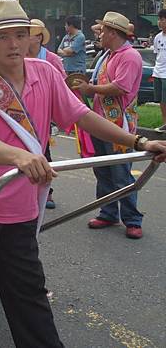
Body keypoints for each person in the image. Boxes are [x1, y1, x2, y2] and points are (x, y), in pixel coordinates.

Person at [0, 1, 166, 347]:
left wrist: (137, 140)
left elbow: (81, 115)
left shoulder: (45, 74)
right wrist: (20, 156)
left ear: (31, 39)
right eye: (2, 38)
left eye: (19, 35)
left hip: (20, 204)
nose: (12, 44)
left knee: (28, 291)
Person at [72, 12, 145, 239]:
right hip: (101, 120)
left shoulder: (129, 56)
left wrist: (90, 90)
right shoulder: (110, 54)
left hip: (118, 123)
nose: (100, 34)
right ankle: (108, 212)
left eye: (104, 31)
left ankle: (132, 219)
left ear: (113, 34)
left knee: (121, 174)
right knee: (103, 170)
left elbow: (120, 87)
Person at [28, 19, 66, 209]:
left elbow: (62, 87)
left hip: (44, 116)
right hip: (23, 114)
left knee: (43, 152)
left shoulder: (51, 60)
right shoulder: (19, 57)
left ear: (39, 37)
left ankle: (46, 192)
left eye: (30, 34)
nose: (26, 38)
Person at [152, 9, 166, 132]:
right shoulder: (157, 37)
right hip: (158, 72)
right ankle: (164, 122)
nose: (159, 22)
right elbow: (156, 54)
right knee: (161, 101)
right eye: (159, 20)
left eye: (162, 20)